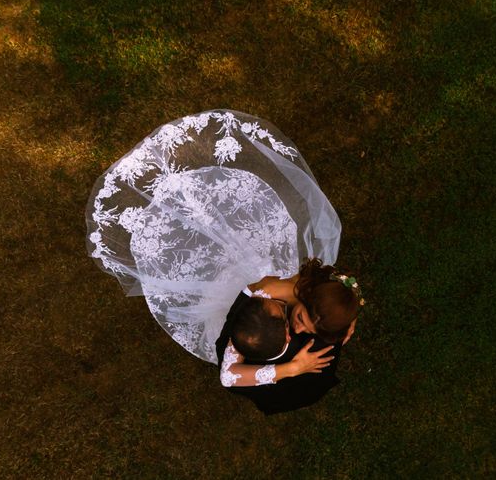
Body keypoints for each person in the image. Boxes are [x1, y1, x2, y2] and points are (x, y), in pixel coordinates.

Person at [85, 110, 344, 367]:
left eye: (306, 327)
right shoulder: (277, 290)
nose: (299, 329)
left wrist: (343, 325)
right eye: (301, 319)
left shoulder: (316, 299)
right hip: (248, 300)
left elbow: (343, 296)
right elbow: (243, 315)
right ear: (308, 300)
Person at [215, 258, 364, 414]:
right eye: (300, 318)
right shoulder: (266, 297)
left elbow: (345, 282)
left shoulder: (324, 293)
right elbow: (228, 375)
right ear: (306, 297)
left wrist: (349, 315)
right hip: (256, 320)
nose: (298, 330)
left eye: (310, 330)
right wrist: (294, 368)